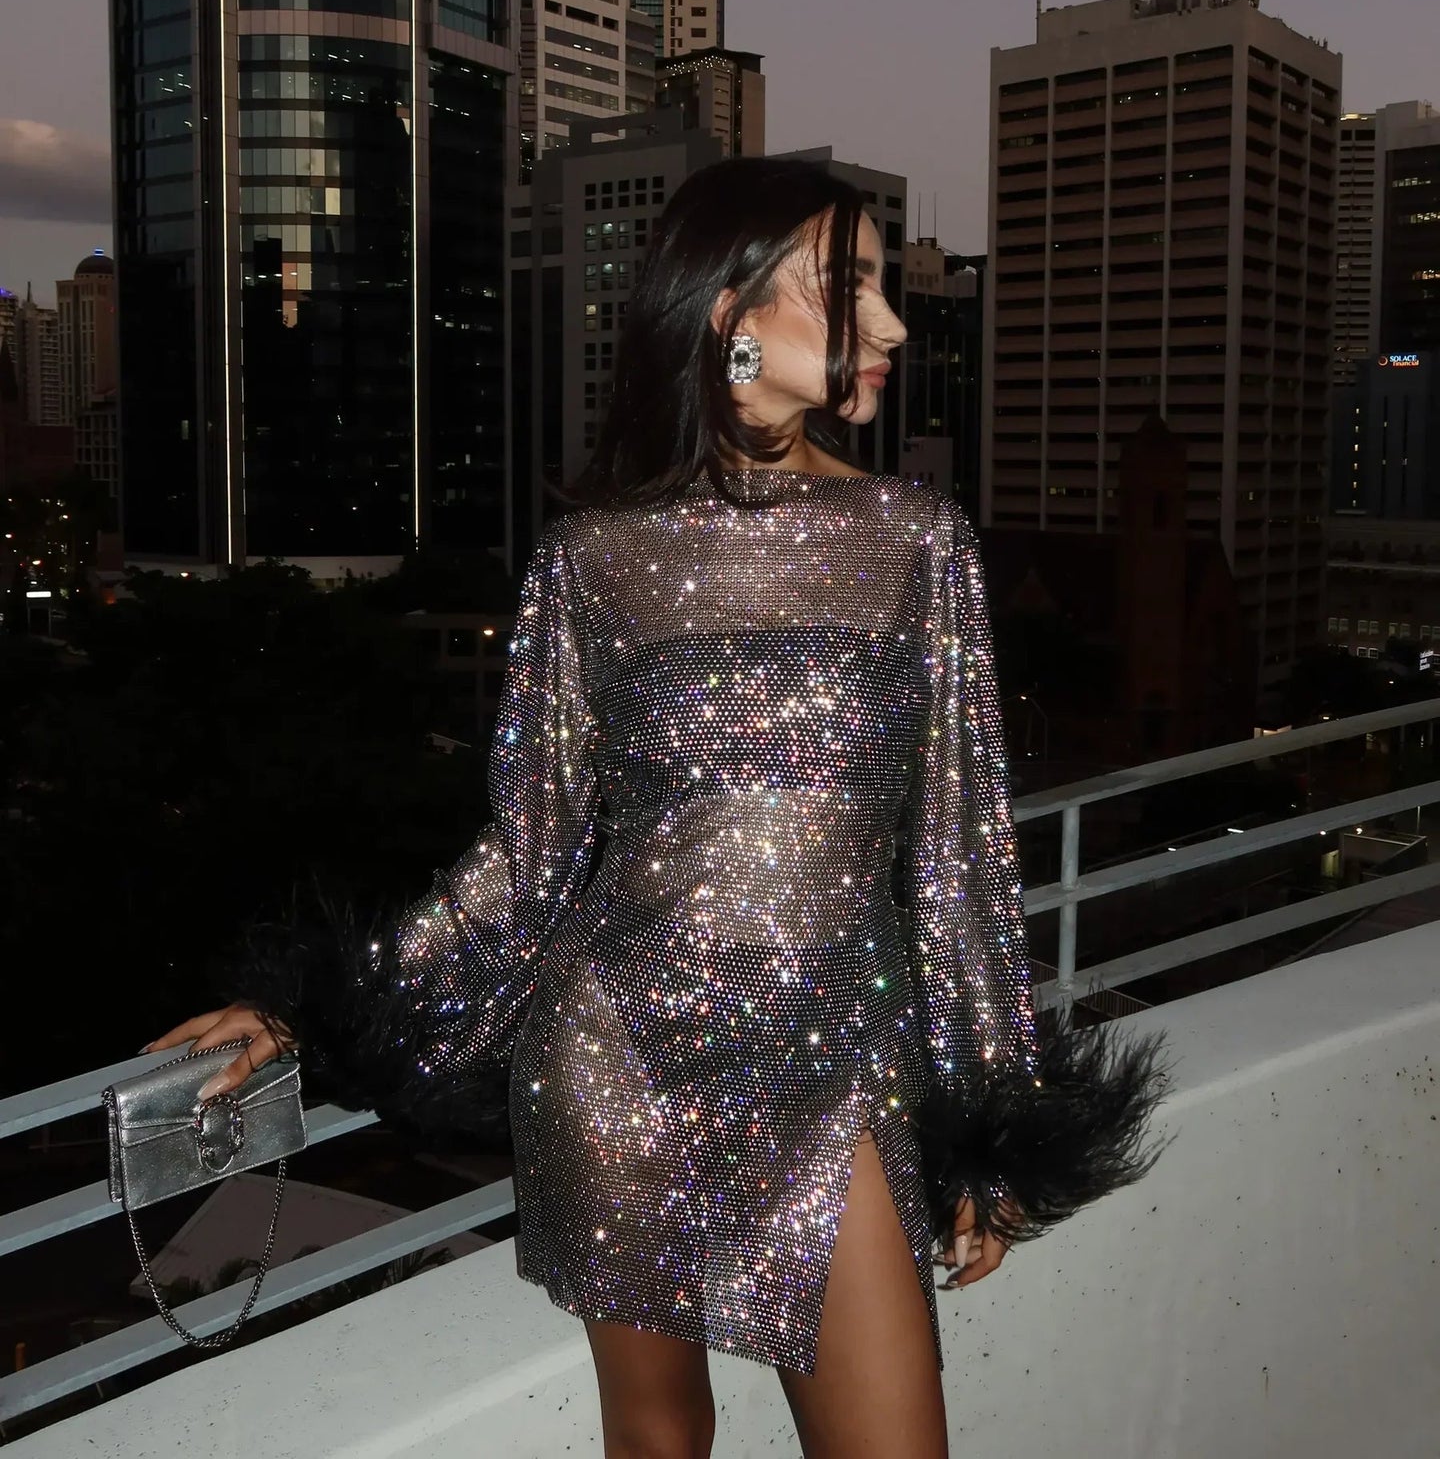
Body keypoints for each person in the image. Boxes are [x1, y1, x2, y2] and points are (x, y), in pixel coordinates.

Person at [148, 158, 1170, 1459]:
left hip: (836, 1064)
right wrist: (321, 1007)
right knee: (659, 1444)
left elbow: (960, 856)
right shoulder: (592, 558)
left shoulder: (918, 540)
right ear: (731, 311)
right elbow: (527, 858)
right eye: (850, 286)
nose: (894, 326)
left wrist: (993, 1118)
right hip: (615, 1056)